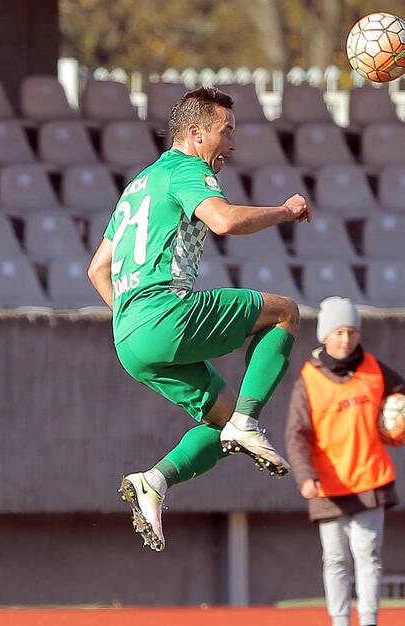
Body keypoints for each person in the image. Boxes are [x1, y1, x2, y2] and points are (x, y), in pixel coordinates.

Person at [87, 87, 312, 552]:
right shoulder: (184, 169)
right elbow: (224, 221)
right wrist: (286, 211)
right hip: (162, 311)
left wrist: (133, 322)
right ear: (195, 133)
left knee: (223, 425)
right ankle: (249, 422)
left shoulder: (138, 184)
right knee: (284, 312)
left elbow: (97, 269)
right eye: (225, 132)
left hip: (128, 339)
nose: (232, 144)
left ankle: (156, 481)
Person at [284, 297, 405, 626]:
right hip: (327, 485)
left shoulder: (375, 370)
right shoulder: (308, 379)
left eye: (351, 331)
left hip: (371, 479)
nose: (345, 339)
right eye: (338, 332)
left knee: (368, 555)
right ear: (325, 335)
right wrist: (304, 476)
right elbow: (297, 434)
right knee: (335, 559)